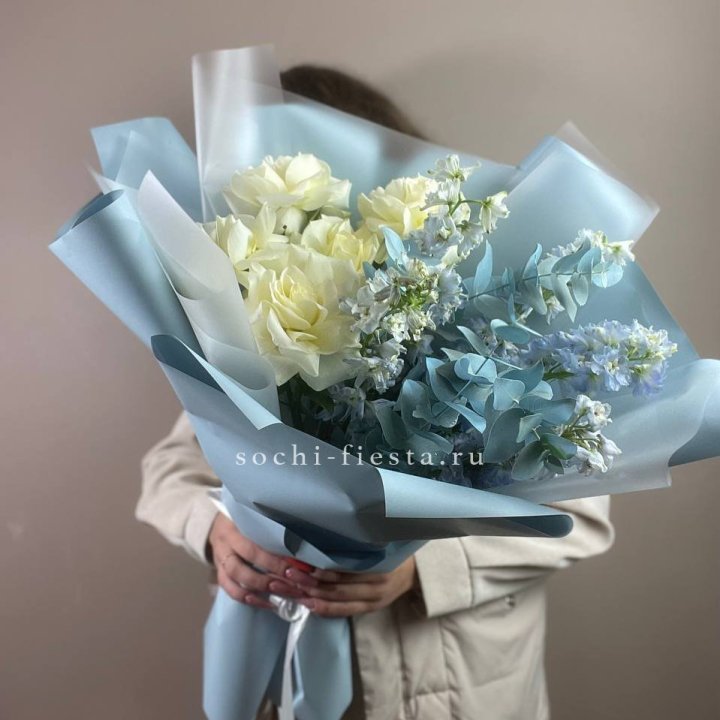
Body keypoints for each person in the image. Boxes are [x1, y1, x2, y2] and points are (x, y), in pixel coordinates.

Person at [137, 66, 615, 720]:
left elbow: (583, 512)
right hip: (299, 659)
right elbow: (175, 464)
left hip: (462, 681)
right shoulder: (258, 326)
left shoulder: (490, 314)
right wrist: (217, 532)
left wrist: (419, 571)